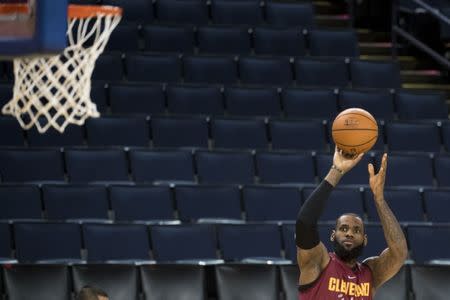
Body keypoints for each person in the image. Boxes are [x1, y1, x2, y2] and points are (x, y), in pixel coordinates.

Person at [296, 149, 407, 299]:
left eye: (356, 230)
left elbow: (399, 253)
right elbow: (305, 223)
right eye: (343, 229)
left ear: (365, 239)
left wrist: (379, 200)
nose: (349, 233)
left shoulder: (370, 274)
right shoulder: (318, 262)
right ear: (333, 236)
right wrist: (337, 171)